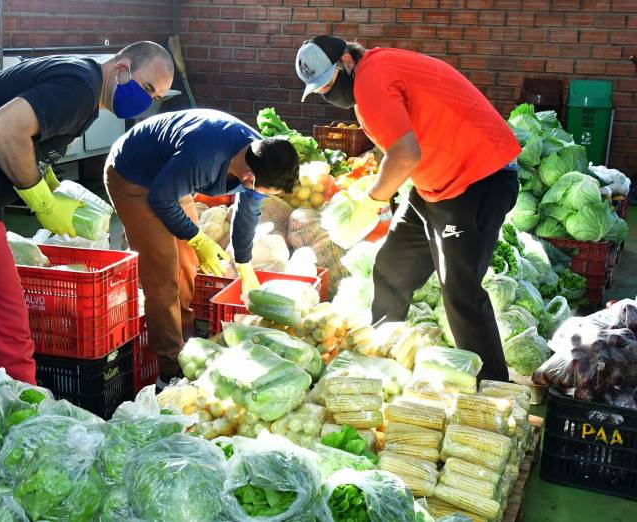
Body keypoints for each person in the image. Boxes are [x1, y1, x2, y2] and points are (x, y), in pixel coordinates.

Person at [0, 41, 174, 395]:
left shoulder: (83, 75)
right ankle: (24, 424)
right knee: (4, 322)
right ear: (121, 68)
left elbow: (32, 137)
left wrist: (48, 180)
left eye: (156, 97)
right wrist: (42, 202)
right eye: (147, 88)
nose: (146, 101)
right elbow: (3, 129)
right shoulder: (80, 90)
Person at [296, 36, 521, 381]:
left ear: (346, 60)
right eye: (320, 88)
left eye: (329, 81)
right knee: (392, 268)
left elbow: (405, 154)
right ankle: (383, 352)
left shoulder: (372, 80)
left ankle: (492, 389)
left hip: (474, 181)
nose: (328, 92)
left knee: (460, 292)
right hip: (435, 184)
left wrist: (371, 201)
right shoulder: (376, 69)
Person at [104, 109, 300, 389]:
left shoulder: (261, 157)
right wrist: (198, 239)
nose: (259, 197)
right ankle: (169, 372)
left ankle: (184, 344)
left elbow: (247, 213)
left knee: (186, 268)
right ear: (247, 177)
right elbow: (161, 199)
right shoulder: (204, 158)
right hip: (133, 178)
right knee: (162, 277)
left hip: (170, 179)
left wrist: (244, 265)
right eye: (262, 192)